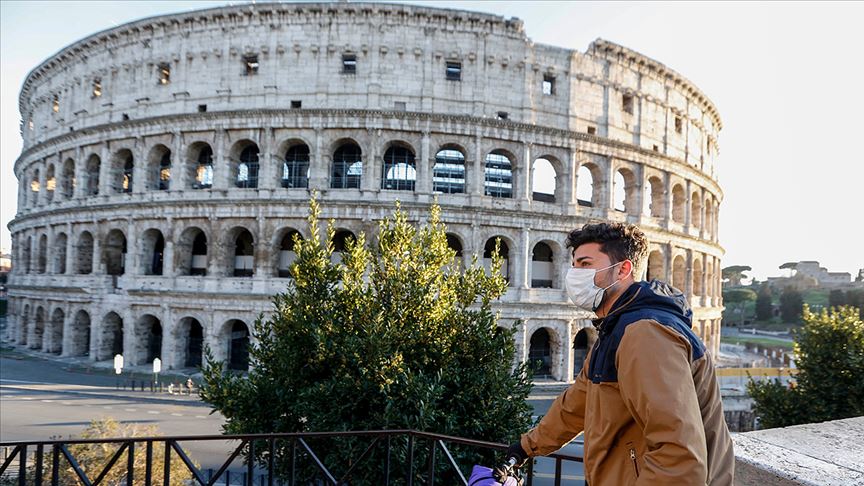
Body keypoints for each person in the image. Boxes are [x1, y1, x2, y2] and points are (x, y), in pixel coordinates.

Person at [500, 222, 734, 485]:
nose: (575, 274)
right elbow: (576, 405)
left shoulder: (645, 334)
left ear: (623, 269)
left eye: (585, 264)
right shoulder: (616, 329)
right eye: (574, 265)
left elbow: (678, 454)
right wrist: (526, 446)